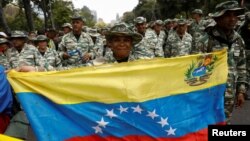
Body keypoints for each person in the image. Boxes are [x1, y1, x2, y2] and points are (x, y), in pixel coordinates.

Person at [195, 1, 248, 124]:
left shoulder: (238, 40)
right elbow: (196, 71)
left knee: (225, 122)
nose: (232, 19)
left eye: (235, 15)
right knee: (208, 126)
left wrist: (241, 90)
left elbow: (241, 66)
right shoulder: (205, 41)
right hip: (210, 96)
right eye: (228, 15)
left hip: (230, 94)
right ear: (218, 18)